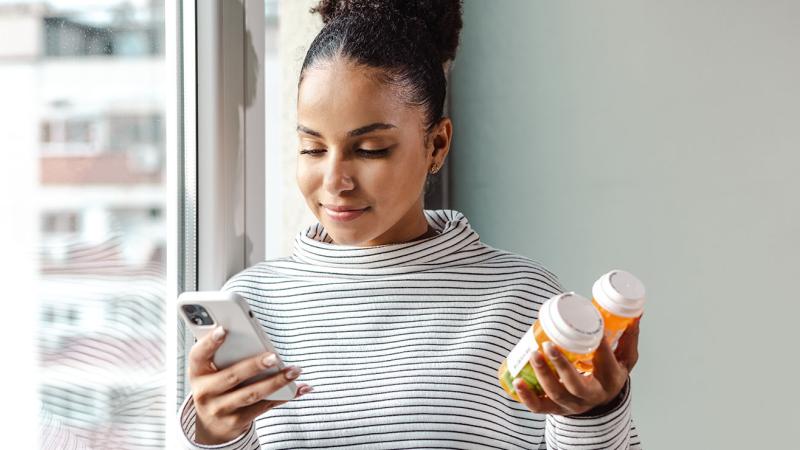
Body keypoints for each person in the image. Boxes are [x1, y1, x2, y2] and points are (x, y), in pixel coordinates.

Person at [179, 1, 642, 448]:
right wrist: (216, 437)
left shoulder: (520, 300)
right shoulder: (254, 303)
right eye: (312, 149)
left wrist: (595, 415)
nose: (335, 180)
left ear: (436, 145)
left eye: (371, 149)